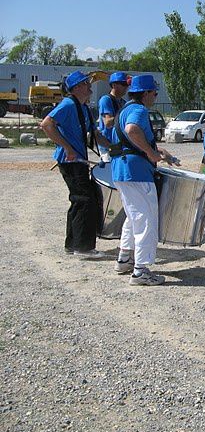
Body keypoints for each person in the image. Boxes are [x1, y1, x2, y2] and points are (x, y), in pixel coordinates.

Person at [110, 74, 178, 286]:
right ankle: (141, 271)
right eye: (154, 93)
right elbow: (132, 131)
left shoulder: (126, 109)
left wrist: (160, 153)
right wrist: (150, 153)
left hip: (122, 170)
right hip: (137, 172)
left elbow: (130, 140)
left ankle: (124, 259)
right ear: (145, 93)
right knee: (146, 219)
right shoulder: (139, 110)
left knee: (133, 217)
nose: (155, 97)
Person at [40, 70, 110, 259]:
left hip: (77, 160)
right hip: (70, 161)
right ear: (77, 87)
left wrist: (114, 148)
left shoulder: (84, 108)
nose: (90, 87)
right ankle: (83, 247)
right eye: (86, 84)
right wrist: (67, 148)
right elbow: (46, 124)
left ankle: (72, 244)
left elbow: (96, 135)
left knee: (79, 200)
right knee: (84, 200)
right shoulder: (68, 105)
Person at [98, 72, 129, 161]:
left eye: (127, 84)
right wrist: (124, 116)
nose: (126, 87)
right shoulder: (106, 100)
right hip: (108, 146)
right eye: (124, 84)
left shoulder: (123, 102)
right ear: (114, 85)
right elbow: (108, 122)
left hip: (119, 146)